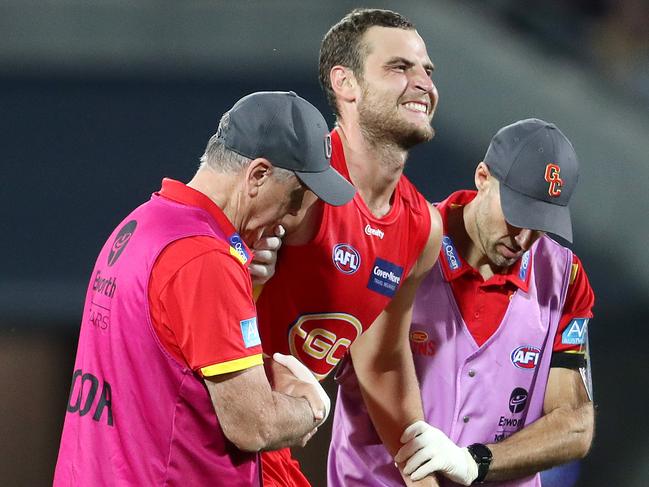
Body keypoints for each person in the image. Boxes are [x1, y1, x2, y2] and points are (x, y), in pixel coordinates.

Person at [53, 91, 356, 486]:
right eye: (297, 197)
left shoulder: (142, 225)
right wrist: (310, 405)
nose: (294, 218)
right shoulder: (204, 260)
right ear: (258, 175)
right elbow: (252, 424)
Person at [329, 118, 595, 487]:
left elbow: (575, 425)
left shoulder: (565, 278)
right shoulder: (398, 242)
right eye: (517, 215)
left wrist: (475, 463)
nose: (524, 238)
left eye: (541, 224)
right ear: (482, 177)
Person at [255, 8, 443, 487]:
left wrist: (421, 476)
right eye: (399, 68)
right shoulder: (296, 182)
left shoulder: (423, 228)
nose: (422, 82)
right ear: (346, 83)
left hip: (267, 449)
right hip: (204, 429)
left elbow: (381, 360)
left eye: (426, 70)